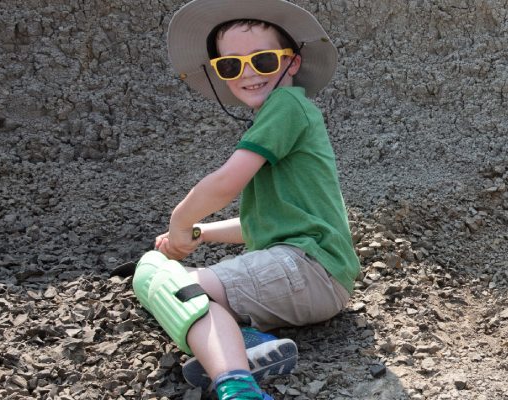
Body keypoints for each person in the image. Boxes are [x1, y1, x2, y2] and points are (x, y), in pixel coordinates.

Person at [131, 0, 360, 398]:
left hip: (306, 269)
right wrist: (200, 233)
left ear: (292, 63)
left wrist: (180, 220)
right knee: (165, 285)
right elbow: (263, 224)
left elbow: (226, 183)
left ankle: (238, 386)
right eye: (231, 65)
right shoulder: (284, 115)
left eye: (264, 60)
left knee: (177, 290)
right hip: (320, 278)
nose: (248, 72)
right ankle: (249, 342)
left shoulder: (286, 105)